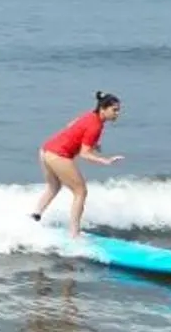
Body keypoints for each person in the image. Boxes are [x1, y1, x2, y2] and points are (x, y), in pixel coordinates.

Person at [30, 91, 124, 237]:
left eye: (118, 110)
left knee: (54, 187)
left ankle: (35, 216)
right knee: (81, 192)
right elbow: (84, 153)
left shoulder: (89, 115)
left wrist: (91, 143)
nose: (117, 113)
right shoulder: (96, 126)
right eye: (114, 110)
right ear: (103, 109)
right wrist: (105, 160)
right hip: (58, 155)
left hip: (46, 150)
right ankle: (74, 234)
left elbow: (71, 125)